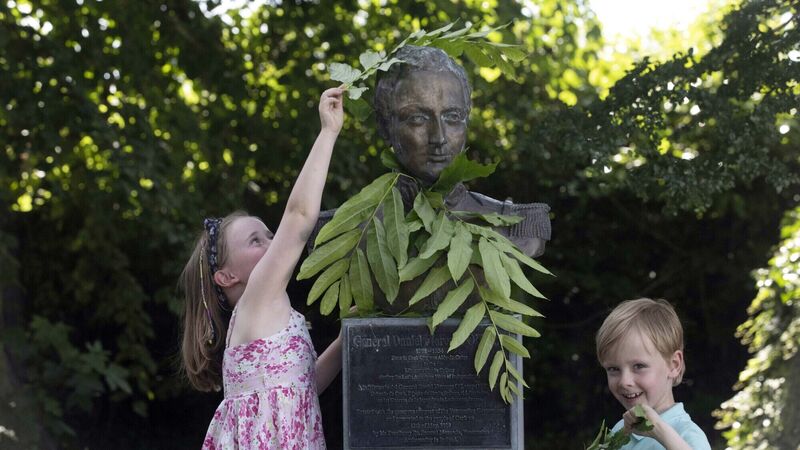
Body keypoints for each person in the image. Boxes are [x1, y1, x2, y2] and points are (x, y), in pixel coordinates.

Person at [179, 87, 345, 449]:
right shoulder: (255, 302)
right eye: (256, 241)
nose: (272, 245)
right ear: (226, 277)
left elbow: (305, 384)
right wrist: (328, 132)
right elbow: (299, 216)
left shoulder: (269, 318)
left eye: (270, 236)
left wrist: (349, 338)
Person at [595, 298, 711, 450]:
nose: (624, 381)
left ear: (674, 365)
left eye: (639, 366)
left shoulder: (686, 435)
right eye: (613, 369)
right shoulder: (620, 432)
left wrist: (659, 431)